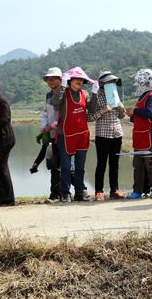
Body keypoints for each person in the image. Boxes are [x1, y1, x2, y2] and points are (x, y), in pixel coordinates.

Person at [55, 67, 98, 202]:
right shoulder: (64, 93)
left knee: (80, 167)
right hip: (65, 134)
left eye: (81, 79)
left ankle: (79, 193)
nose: (79, 81)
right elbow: (55, 103)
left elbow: (91, 109)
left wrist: (95, 94)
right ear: (70, 80)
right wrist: (61, 86)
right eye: (76, 79)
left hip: (82, 134)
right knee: (66, 167)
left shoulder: (84, 94)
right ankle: (65, 194)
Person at [87, 71, 126, 200]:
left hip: (117, 133)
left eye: (113, 82)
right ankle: (99, 191)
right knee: (101, 163)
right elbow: (90, 117)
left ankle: (115, 190)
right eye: (109, 82)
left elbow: (122, 116)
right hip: (103, 134)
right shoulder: (97, 97)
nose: (111, 84)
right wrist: (104, 110)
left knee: (115, 163)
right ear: (102, 84)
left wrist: (121, 109)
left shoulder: (116, 95)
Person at [126, 69, 152, 199]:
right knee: (138, 165)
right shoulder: (142, 96)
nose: (137, 84)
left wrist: (135, 111)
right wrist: (132, 114)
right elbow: (140, 116)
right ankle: (137, 190)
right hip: (139, 135)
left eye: (138, 81)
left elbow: (149, 113)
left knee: (151, 164)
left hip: (149, 135)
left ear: (145, 81)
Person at [38, 67, 64, 200]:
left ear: (60, 79)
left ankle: (66, 192)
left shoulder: (65, 94)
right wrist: (44, 128)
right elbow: (45, 113)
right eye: (48, 79)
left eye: (53, 78)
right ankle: (55, 192)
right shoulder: (48, 95)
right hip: (51, 134)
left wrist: (51, 126)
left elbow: (65, 115)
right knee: (53, 164)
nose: (50, 81)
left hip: (63, 133)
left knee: (65, 164)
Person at [0, 87, 16, 206]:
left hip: (5, 139)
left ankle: (3, 197)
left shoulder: (2, 101)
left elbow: (4, 120)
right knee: (2, 167)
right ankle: (7, 197)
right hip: (2, 139)